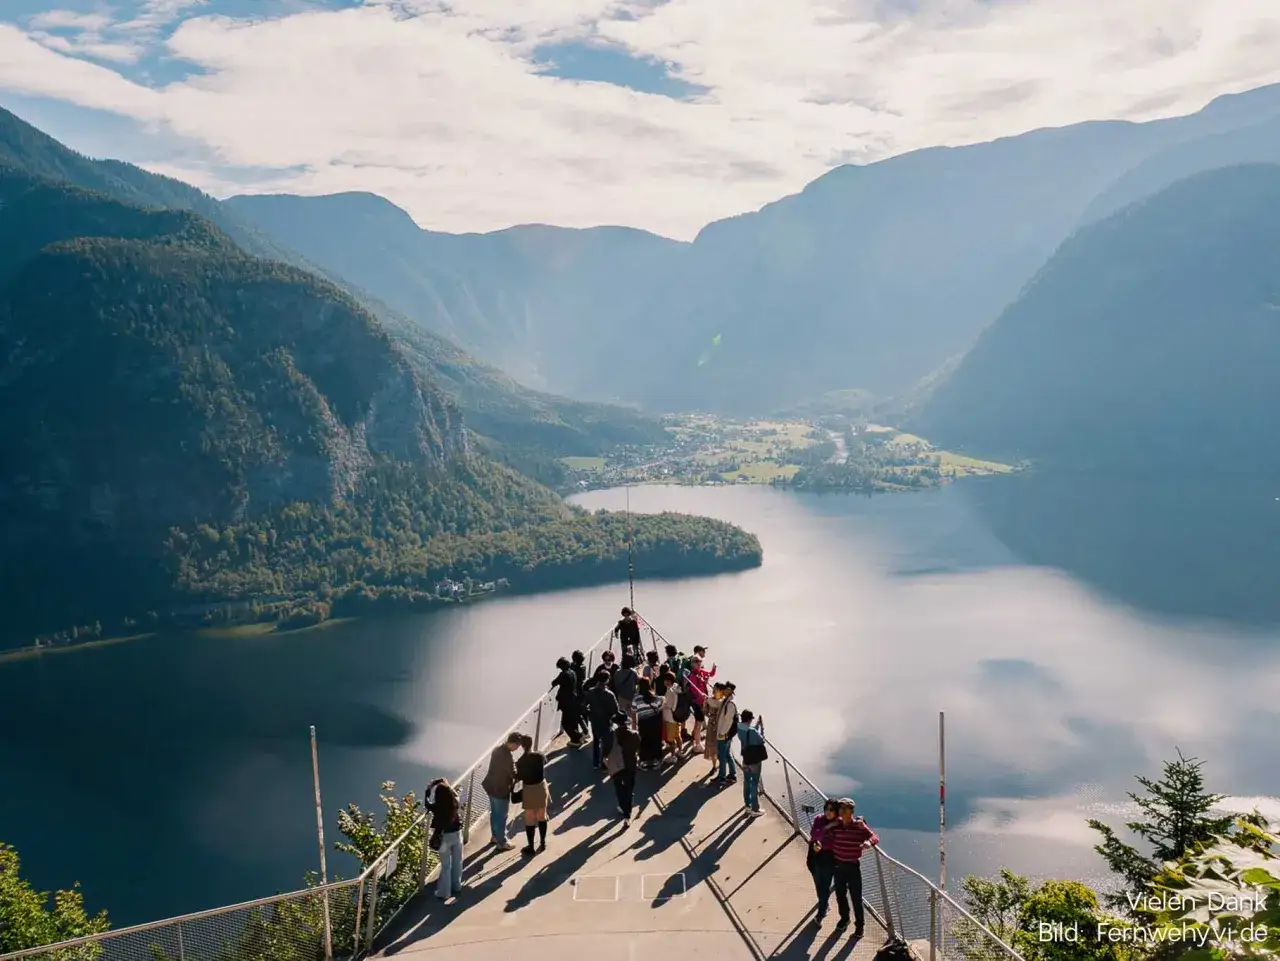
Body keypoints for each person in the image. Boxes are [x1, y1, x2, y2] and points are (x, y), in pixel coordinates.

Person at [827, 797, 879, 936]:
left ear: (852, 811)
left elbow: (875, 837)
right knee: (840, 895)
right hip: (838, 866)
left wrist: (869, 842)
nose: (842, 811)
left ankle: (860, 927)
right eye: (841, 808)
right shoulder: (835, 825)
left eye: (845, 808)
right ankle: (844, 919)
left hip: (852, 868)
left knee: (856, 898)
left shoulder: (859, 826)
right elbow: (822, 832)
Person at [479, 732, 521, 850]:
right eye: (517, 745)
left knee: (494, 813)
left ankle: (495, 836)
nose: (517, 748)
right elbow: (511, 773)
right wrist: (518, 775)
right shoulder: (507, 756)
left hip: (491, 786)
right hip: (501, 789)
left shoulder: (497, 750)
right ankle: (502, 842)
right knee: (502, 815)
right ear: (513, 743)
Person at [426, 778, 463, 900]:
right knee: (457, 861)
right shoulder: (455, 803)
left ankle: (444, 892)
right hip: (457, 834)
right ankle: (457, 886)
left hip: (444, 837)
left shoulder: (437, 807)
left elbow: (427, 803)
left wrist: (429, 788)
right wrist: (447, 785)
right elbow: (455, 794)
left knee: (446, 865)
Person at [516, 734, 550, 855]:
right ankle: (543, 842)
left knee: (530, 818)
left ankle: (530, 846)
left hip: (529, 790)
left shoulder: (520, 761)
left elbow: (519, 777)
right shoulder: (540, 755)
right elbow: (545, 762)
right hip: (541, 787)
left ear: (521, 746)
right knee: (542, 815)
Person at [605, 711, 640, 825]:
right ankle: (627, 816)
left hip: (616, 765)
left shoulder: (611, 735)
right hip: (630, 764)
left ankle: (622, 806)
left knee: (619, 788)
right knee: (629, 789)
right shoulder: (634, 734)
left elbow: (605, 750)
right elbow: (638, 748)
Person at [808, 799, 840, 924]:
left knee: (825, 886)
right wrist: (828, 827)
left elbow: (834, 842)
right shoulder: (819, 819)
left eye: (831, 810)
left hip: (829, 858)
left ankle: (820, 913)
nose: (828, 812)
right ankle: (824, 904)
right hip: (815, 856)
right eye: (826, 809)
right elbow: (814, 834)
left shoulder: (840, 824)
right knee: (818, 883)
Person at [585, 669, 619, 768]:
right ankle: (604, 763)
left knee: (596, 741)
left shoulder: (590, 692)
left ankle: (595, 763)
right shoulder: (609, 694)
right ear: (607, 680)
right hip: (606, 721)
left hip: (595, 720)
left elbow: (584, 705)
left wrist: (590, 713)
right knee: (606, 742)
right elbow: (615, 710)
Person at [683, 655, 716, 752]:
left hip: (702, 702)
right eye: (696, 662)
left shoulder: (700, 672)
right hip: (697, 703)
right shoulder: (692, 675)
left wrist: (713, 668)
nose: (698, 664)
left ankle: (695, 740)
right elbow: (694, 690)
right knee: (699, 723)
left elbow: (711, 674)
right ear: (692, 664)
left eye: (700, 662)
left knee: (699, 722)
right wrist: (702, 697)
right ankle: (697, 745)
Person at [737, 709, 766, 816]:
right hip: (755, 761)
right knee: (754, 783)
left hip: (745, 758)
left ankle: (747, 806)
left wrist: (756, 725)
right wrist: (762, 728)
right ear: (749, 719)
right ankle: (755, 809)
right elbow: (761, 740)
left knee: (746, 782)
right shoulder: (752, 731)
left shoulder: (739, 727)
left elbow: (749, 732)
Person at [550, 657, 584, 745]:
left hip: (566, 702)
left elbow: (554, 682)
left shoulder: (563, 674)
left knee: (565, 723)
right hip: (573, 700)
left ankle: (575, 739)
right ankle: (578, 736)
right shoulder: (573, 672)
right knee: (572, 721)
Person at [633, 677, 664, 769]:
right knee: (655, 741)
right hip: (654, 722)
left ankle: (644, 761)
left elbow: (634, 713)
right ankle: (656, 760)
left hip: (643, 723)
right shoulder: (655, 697)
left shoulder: (636, 698)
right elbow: (659, 709)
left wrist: (634, 728)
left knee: (644, 742)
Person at [715, 682, 739, 786]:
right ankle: (732, 774)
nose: (723, 691)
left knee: (722, 756)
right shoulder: (726, 701)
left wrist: (722, 733)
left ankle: (722, 777)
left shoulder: (730, 705)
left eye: (725, 689)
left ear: (729, 690)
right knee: (727, 754)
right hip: (725, 733)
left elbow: (728, 721)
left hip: (724, 734)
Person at [610, 652, 639, 723]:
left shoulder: (617, 672)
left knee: (623, 718)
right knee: (633, 719)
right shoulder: (633, 672)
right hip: (632, 697)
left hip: (621, 698)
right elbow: (638, 682)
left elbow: (615, 685)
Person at [660, 670, 682, 757]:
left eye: (665, 680)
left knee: (670, 739)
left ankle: (673, 756)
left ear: (669, 681)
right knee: (677, 736)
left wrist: (661, 704)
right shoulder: (676, 688)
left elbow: (668, 705)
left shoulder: (670, 691)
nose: (664, 681)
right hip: (677, 717)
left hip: (670, 719)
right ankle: (680, 751)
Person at [702, 681, 724, 763]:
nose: (714, 691)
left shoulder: (723, 702)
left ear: (721, 692)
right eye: (713, 689)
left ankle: (721, 764)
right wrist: (705, 703)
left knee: (720, 747)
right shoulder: (710, 699)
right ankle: (714, 765)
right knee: (712, 745)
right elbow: (705, 712)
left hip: (720, 727)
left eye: (716, 690)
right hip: (711, 725)